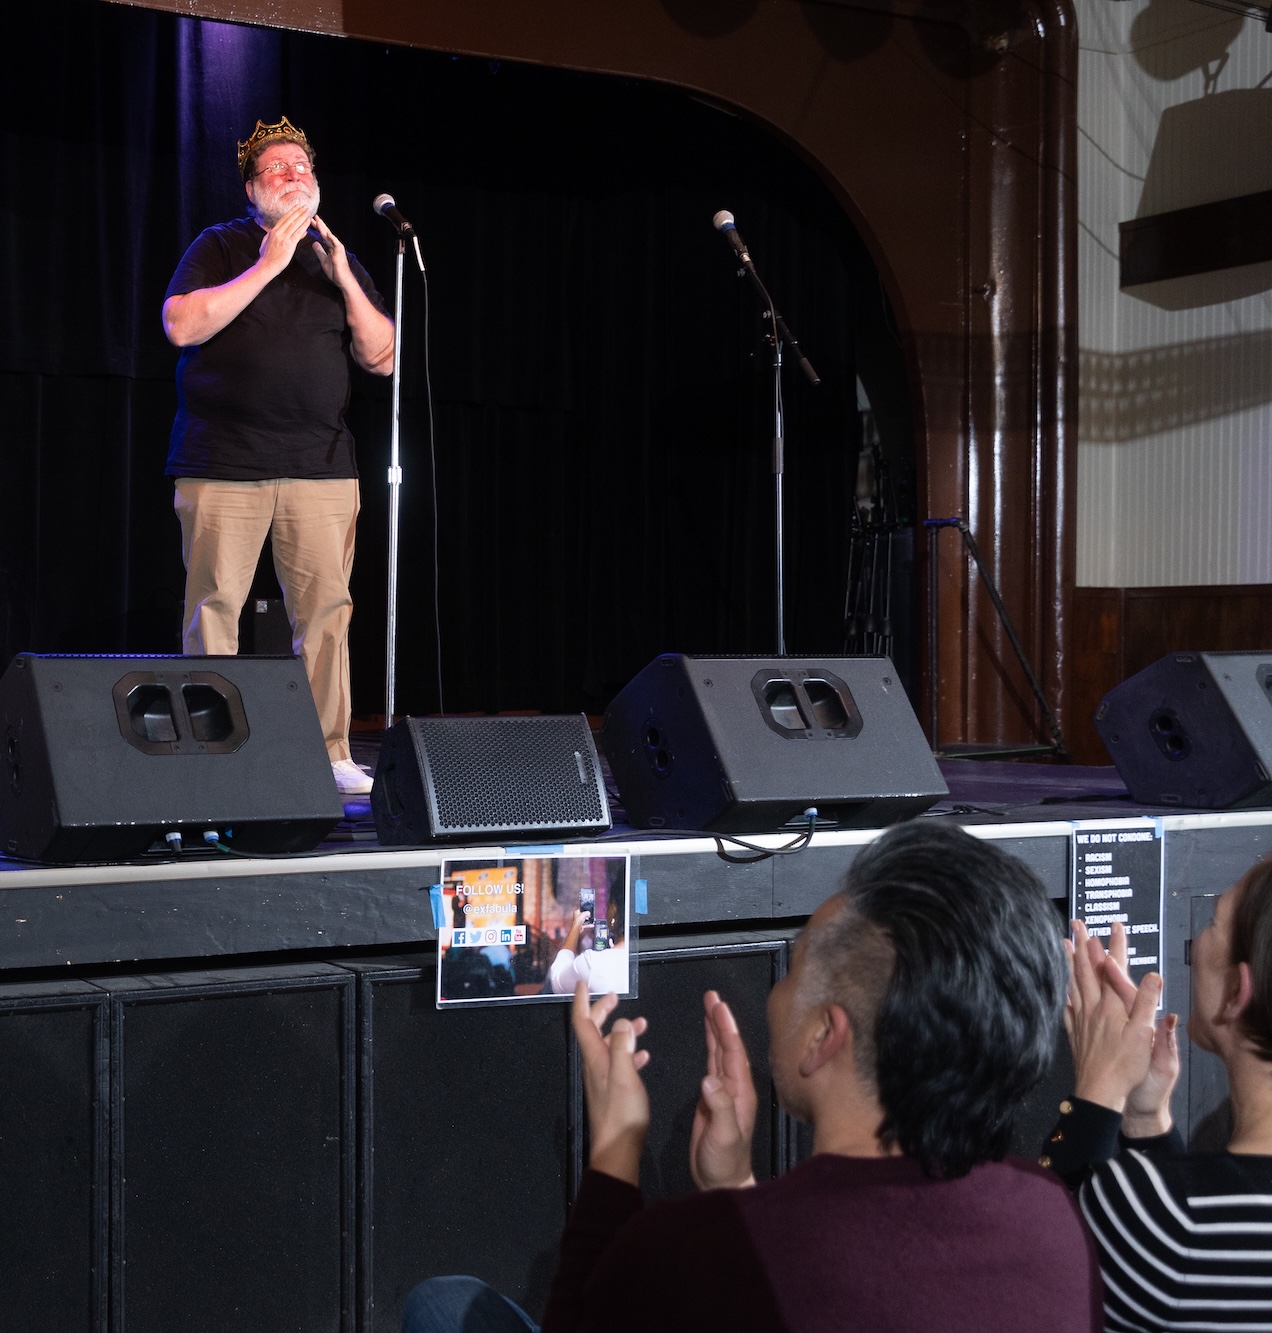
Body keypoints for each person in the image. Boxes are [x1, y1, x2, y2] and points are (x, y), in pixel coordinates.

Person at [403, 821, 1099, 1333]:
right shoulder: (1049, 1213)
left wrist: (616, 1145)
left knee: (442, 1307)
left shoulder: (693, 1249)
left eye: (793, 970)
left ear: (825, 1034)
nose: (776, 996)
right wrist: (734, 1189)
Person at [161, 117, 394, 795]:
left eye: (302, 167)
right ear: (251, 189)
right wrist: (268, 264)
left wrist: (347, 279)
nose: (293, 175)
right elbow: (181, 325)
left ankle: (330, 750)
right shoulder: (221, 244)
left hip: (320, 465)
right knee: (215, 608)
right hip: (222, 460)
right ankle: (209, 751)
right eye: (277, 169)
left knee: (326, 612)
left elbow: (382, 357)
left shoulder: (337, 259)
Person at [1046, 854, 1272, 1329]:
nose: (1199, 941)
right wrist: (1145, 1119)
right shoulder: (1168, 1215)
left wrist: (1098, 1090)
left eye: (1213, 923)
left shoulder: (1171, 1224)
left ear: (1237, 992)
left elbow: (1036, 1275)